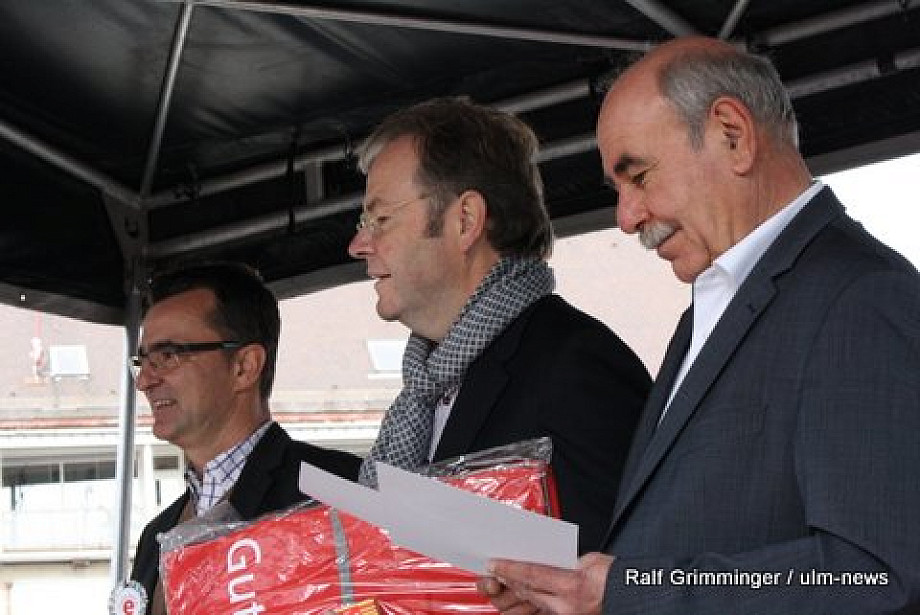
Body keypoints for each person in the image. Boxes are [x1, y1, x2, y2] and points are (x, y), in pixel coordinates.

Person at [480, 36, 920, 614]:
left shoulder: (860, 296)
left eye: (639, 176)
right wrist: (581, 597)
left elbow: (873, 574)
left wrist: (628, 591)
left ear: (732, 135)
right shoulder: (711, 309)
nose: (626, 217)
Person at [348, 97, 651, 553]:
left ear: (465, 220)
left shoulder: (574, 365)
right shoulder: (423, 393)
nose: (358, 245)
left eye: (380, 219)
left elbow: (628, 566)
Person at [128, 262, 361, 615]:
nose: (144, 381)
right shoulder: (156, 536)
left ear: (245, 366)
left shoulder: (343, 492)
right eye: (143, 361)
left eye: (167, 356)